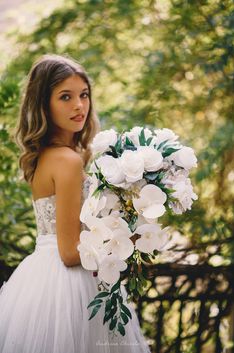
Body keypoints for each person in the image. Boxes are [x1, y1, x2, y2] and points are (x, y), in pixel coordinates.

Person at [0, 54, 151, 353]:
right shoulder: (68, 161)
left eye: (83, 95)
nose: (79, 105)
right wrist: (127, 240)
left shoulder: (45, 156)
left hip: (39, 278)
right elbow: (70, 252)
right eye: (65, 97)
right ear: (44, 103)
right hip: (70, 285)